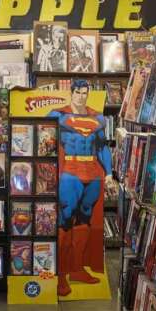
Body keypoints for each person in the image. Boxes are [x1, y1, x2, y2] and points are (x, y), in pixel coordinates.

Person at [48, 80, 113, 296]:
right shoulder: (58, 115)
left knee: (85, 218)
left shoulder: (98, 118)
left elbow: (102, 146)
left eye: (85, 93)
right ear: (71, 92)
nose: (82, 96)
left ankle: (76, 269)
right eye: (78, 92)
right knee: (65, 219)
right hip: (70, 171)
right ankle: (60, 275)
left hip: (93, 172)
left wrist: (110, 173)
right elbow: (43, 138)